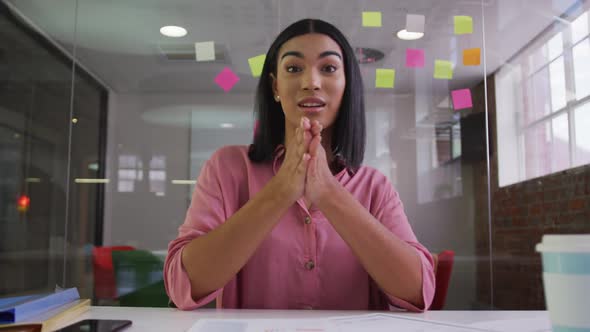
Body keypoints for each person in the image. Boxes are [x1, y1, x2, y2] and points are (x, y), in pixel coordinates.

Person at [164, 18, 435, 311]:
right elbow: (183, 285)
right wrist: (280, 192)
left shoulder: (375, 186)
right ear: (275, 87)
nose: (311, 82)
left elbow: (419, 292)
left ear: (347, 85)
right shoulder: (227, 167)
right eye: (293, 69)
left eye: (329, 68)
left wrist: (329, 194)